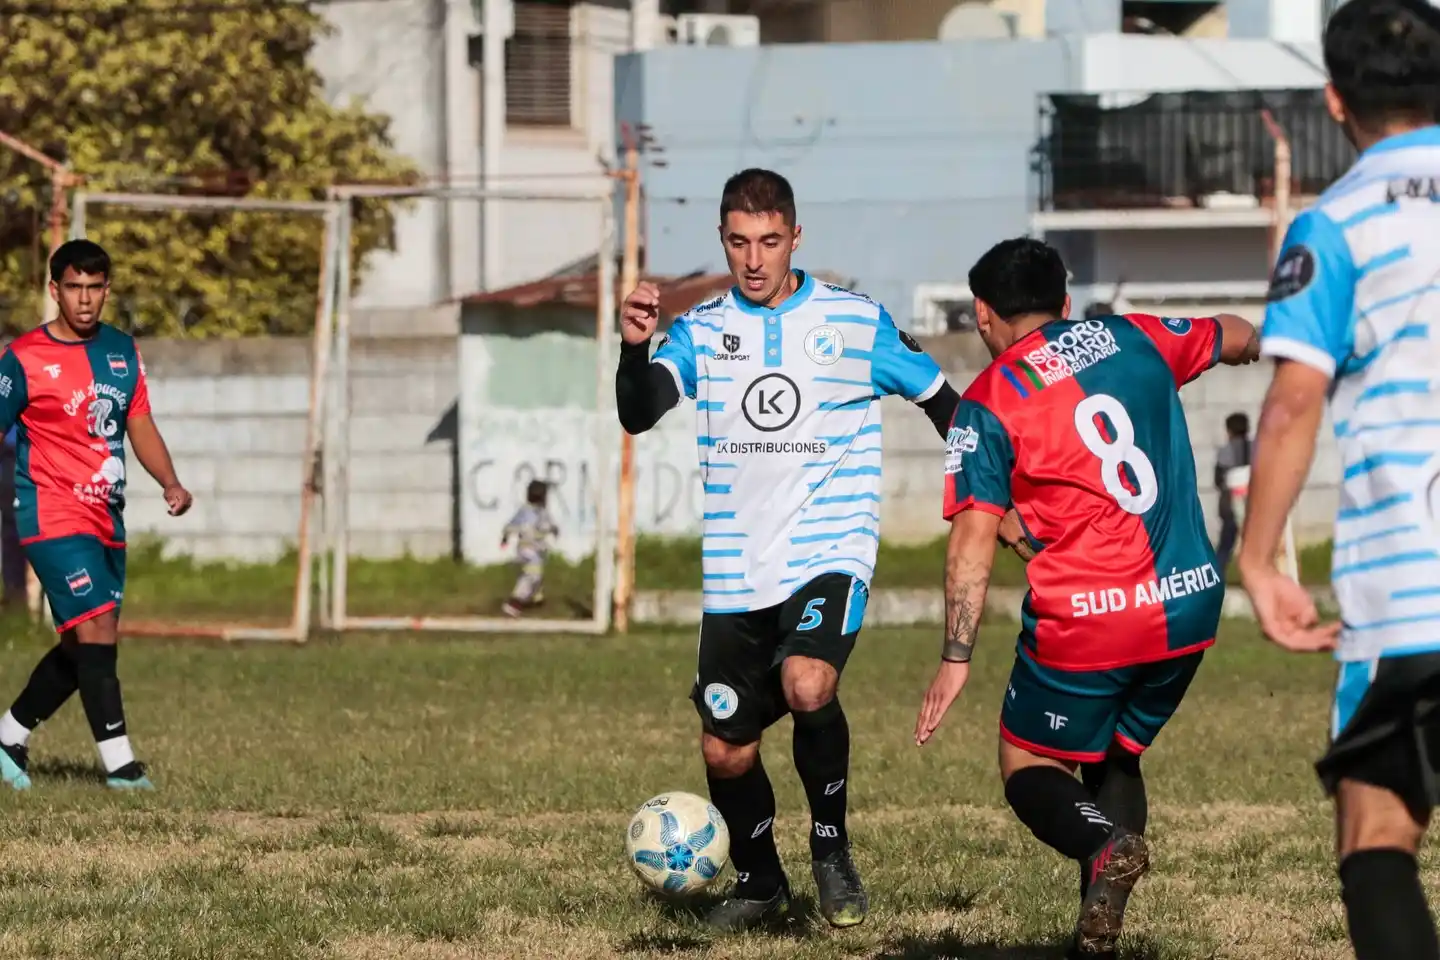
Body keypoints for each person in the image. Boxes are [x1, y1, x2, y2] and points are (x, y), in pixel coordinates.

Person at [615, 168, 960, 931]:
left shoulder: (853, 321)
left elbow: (943, 401)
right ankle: (762, 882)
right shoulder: (702, 331)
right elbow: (640, 414)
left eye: (770, 241)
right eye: (739, 242)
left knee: (809, 685)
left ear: (795, 237)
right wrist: (633, 350)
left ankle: (831, 851)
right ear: (723, 241)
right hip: (737, 574)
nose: (755, 258)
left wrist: (984, 495)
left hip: (829, 550)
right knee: (724, 750)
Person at [912, 237, 1258, 956]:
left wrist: (954, 656)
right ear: (1065, 303)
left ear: (982, 313)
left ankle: (1105, 851)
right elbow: (1234, 332)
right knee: (1115, 755)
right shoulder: (1132, 335)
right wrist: (1256, 343)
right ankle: (1096, 935)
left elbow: (971, 544)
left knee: (1028, 765)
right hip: (1191, 601)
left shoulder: (990, 400)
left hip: (1092, 619)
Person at [1238, 3, 1440, 958]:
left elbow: (1291, 405)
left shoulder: (1336, 224)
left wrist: (1261, 557)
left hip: (1413, 591)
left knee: (1375, 837)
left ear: (1333, 101)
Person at [0, 239, 192, 792]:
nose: (85, 300)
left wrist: (171, 482)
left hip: (105, 517)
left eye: (95, 288)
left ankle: (9, 734)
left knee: (82, 641)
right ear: (54, 290)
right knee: (97, 628)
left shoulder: (122, 352)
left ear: (107, 290)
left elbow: (140, 425)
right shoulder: (24, 358)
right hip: (49, 514)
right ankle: (122, 767)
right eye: (74, 288)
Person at [500, 479, 559, 618]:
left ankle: (534, 595)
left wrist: (554, 529)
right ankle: (514, 603)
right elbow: (512, 525)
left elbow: (548, 525)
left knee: (533, 575)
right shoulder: (525, 511)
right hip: (527, 549)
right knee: (533, 575)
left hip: (537, 550)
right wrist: (506, 537)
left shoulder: (542, 512)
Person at [1213, 412, 1251, 574]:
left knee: (1227, 541)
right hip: (1253, 500)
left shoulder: (1225, 451)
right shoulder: (1256, 447)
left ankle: (1217, 573)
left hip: (1230, 500)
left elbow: (1218, 479)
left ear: (1228, 430)